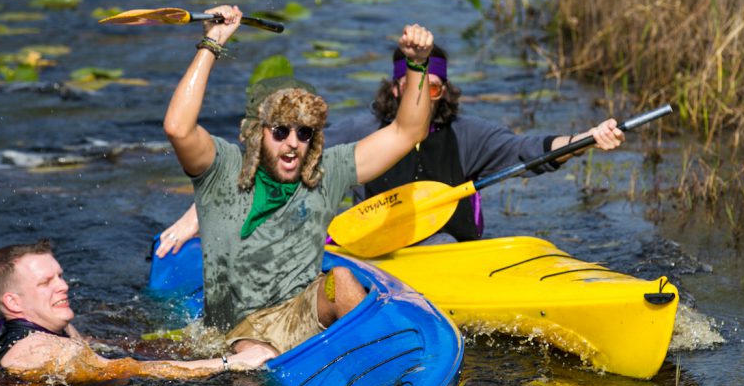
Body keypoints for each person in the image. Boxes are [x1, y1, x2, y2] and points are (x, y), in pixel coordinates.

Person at [156, 42, 626, 255]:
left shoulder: (470, 134)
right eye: (418, 85)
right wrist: (200, 214)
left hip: (452, 251)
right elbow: (278, 168)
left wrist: (587, 138)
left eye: (435, 88)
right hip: (381, 254)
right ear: (397, 90)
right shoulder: (360, 131)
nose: (425, 96)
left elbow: (534, 152)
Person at [162, 5, 435, 368]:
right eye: (280, 131)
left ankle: (383, 370)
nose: (292, 142)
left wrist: (417, 65)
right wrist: (212, 41)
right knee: (259, 358)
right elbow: (178, 128)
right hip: (240, 331)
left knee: (341, 279)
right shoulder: (222, 170)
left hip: (301, 312)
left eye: (303, 133)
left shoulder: (325, 170)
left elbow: (408, 132)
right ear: (259, 135)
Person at [0, 240, 249, 385]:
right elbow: (133, 370)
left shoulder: (51, 324)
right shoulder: (39, 349)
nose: (64, 286)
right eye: (46, 282)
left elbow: (97, 350)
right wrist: (231, 363)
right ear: (14, 303)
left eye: (60, 276)